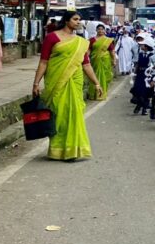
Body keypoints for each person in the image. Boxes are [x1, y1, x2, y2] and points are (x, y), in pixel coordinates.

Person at [32, 10, 103, 161]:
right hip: (56, 80)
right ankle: (57, 150)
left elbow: (86, 65)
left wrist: (96, 83)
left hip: (75, 81)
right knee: (58, 114)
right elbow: (44, 61)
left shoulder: (80, 42)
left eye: (80, 20)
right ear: (66, 20)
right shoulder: (52, 37)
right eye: (75, 19)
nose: (79, 22)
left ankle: (73, 150)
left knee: (74, 112)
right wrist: (36, 83)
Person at [87, 24, 115, 101]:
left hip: (105, 61)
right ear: (96, 30)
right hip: (94, 60)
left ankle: (102, 94)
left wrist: (114, 60)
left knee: (104, 77)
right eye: (99, 29)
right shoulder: (92, 40)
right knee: (93, 76)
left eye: (102, 29)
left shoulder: (108, 40)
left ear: (104, 30)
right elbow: (88, 51)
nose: (100, 31)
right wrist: (86, 59)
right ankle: (93, 94)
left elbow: (112, 51)